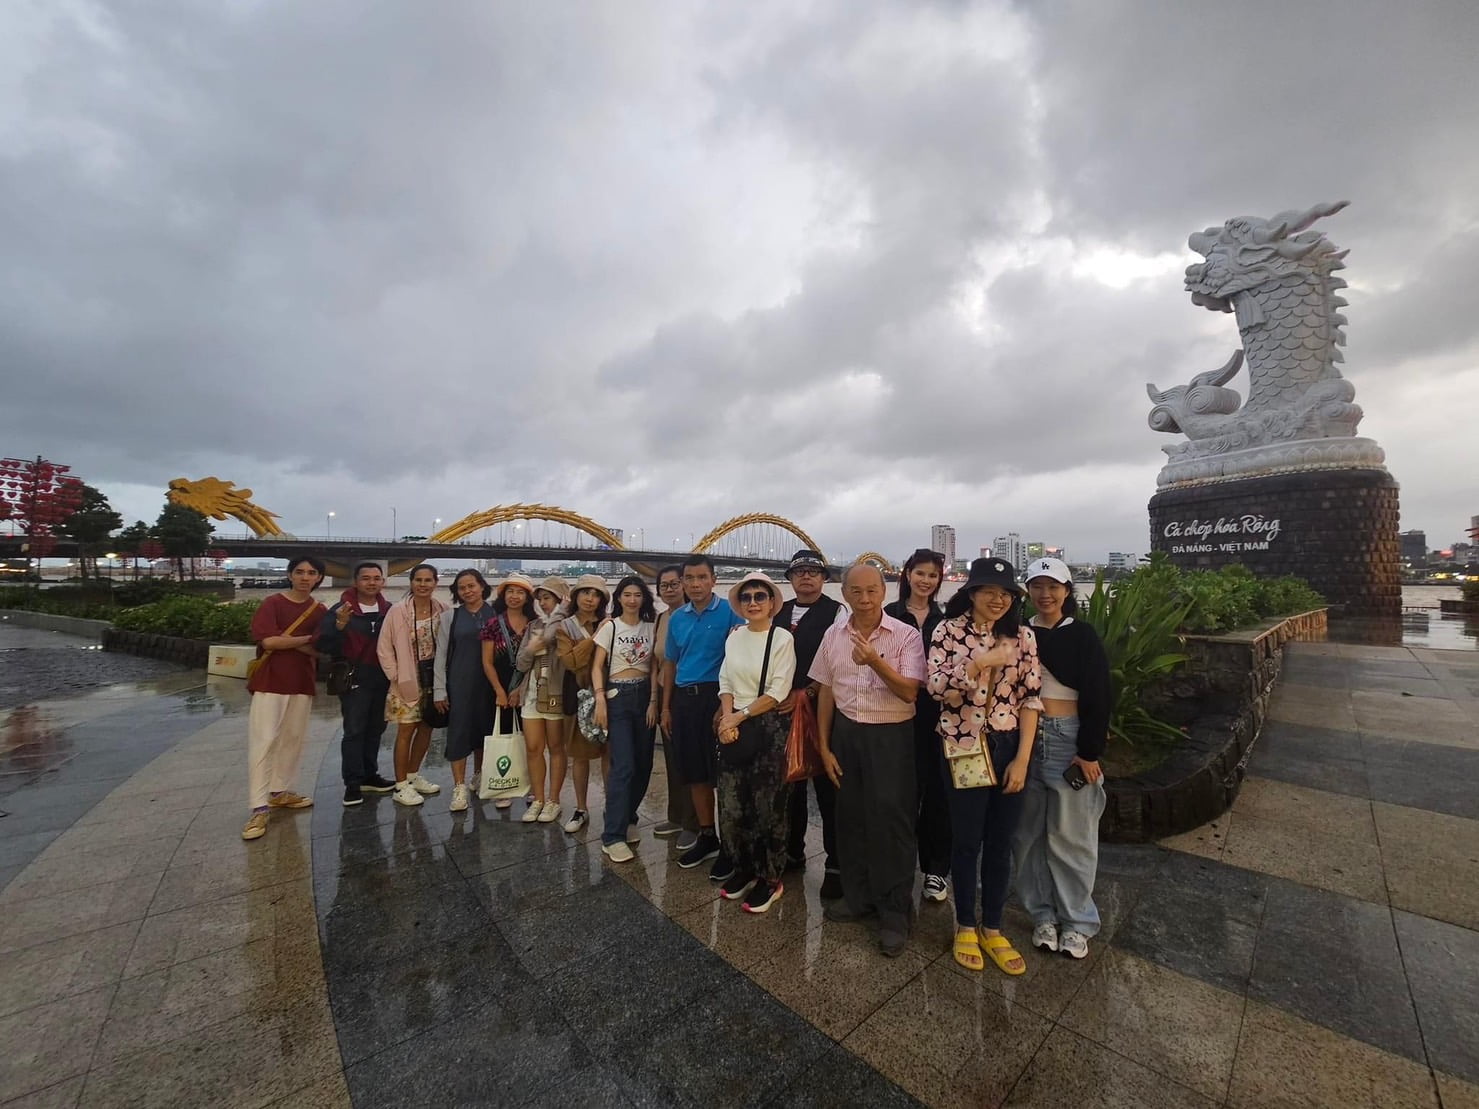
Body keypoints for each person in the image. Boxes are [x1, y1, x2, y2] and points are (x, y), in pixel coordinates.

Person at [927, 557, 1042, 977]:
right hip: (963, 745)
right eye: (989, 591)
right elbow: (935, 688)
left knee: (1000, 840)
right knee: (966, 840)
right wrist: (981, 662)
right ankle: (965, 924)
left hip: (1008, 743)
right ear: (972, 592)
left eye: (1006, 593)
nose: (998, 599)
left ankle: (992, 926)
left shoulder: (1023, 636)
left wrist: (1023, 760)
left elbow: (1031, 699)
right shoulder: (947, 631)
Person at [812, 563, 926, 956]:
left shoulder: (905, 635)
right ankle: (858, 896)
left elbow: (909, 692)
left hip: (890, 736)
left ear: (884, 591)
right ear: (844, 594)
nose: (864, 598)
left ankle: (894, 911)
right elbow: (826, 690)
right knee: (851, 817)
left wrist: (875, 660)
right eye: (856, 591)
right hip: (847, 734)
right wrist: (824, 746)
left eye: (872, 590)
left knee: (892, 822)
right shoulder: (833, 634)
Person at [1013, 557, 1111, 960]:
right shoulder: (1018, 632)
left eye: (1053, 586)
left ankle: (1077, 922)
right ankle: (1041, 915)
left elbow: (1099, 693)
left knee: (1072, 836)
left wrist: (1088, 751)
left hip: (1066, 739)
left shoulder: (1081, 635)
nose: (1045, 594)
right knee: (1027, 836)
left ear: (1067, 591)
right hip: (1024, 739)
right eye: (1037, 586)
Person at [715, 573, 797, 912]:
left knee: (768, 806)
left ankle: (771, 878)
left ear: (772, 602)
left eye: (760, 596)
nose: (753, 602)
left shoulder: (781, 638)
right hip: (734, 722)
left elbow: (778, 691)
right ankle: (743, 867)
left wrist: (738, 717)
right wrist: (726, 718)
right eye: (746, 597)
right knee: (733, 804)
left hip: (768, 726)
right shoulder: (735, 636)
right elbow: (725, 680)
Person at [659, 554, 744, 877]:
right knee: (695, 773)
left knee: (723, 773)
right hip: (685, 699)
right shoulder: (677, 619)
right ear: (683, 582)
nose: (695, 584)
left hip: (717, 697)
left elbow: (739, 659)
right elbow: (670, 663)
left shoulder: (730, 612)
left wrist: (727, 707)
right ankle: (707, 836)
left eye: (702, 577)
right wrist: (666, 707)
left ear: (713, 580)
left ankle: (732, 845)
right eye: (690, 578)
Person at [775, 548, 845, 899]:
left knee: (828, 785)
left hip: (822, 709)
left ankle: (836, 862)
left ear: (823, 579)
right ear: (790, 578)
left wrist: (809, 691)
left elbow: (839, 658)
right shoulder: (778, 610)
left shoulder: (837, 612)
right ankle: (793, 850)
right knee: (791, 785)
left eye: (813, 572)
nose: (806, 576)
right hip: (781, 710)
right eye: (799, 571)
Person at [242, 556, 327, 841]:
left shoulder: (319, 610)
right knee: (264, 741)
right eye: (299, 572)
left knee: (293, 739)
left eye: (311, 573)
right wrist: (305, 639)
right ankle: (258, 807)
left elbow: (321, 650)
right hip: (271, 681)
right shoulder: (273, 604)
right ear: (290, 575)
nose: (305, 577)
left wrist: (287, 641)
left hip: (301, 682)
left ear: (319, 578)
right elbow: (268, 641)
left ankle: (279, 791)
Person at [883, 548, 951, 905]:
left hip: (938, 715)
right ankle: (898, 866)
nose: (926, 580)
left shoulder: (946, 619)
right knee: (900, 793)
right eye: (920, 573)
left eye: (933, 575)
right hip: (896, 711)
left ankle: (936, 869)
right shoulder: (889, 615)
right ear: (907, 574)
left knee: (938, 792)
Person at [317, 561, 395, 807]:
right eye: (366, 578)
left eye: (376, 578)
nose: (371, 583)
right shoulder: (341, 609)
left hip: (381, 678)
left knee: (376, 728)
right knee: (354, 730)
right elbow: (324, 645)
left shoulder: (389, 610)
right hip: (354, 678)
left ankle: (369, 775)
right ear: (355, 582)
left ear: (383, 582)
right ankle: (352, 783)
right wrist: (339, 626)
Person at [592, 575, 658, 863]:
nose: (632, 600)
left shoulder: (651, 627)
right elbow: (597, 666)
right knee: (623, 766)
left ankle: (627, 816)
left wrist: (653, 701)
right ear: (618, 598)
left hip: (644, 696)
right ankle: (612, 836)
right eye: (627, 594)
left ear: (644, 599)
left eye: (637, 595)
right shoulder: (611, 626)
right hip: (617, 696)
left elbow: (654, 666)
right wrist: (600, 699)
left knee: (643, 764)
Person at [378, 564, 448, 808]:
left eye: (428, 580)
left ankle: (412, 776)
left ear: (435, 583)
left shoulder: (442, 609)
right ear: (411, 582)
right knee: (406, 730)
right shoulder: (398, 611)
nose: (423, 584)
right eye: (418, 580)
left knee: (427, 726)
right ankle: (400, 785)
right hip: (406, 679)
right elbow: (384, 647)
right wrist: (396, 676)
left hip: (433, 678)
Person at [433, 569, 497, 814]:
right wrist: (439, 690)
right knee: (458, 733)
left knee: (484, 731)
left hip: (489, 685)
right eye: (462, 587)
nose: (468, 591)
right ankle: (459, 786)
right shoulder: (450, 617)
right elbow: (441, 655)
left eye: (472, 585)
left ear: (482, 586)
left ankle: (479, 776)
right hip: (459, 683)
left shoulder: (495, 614)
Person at [556, 574, 611, 833]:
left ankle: (612, 805)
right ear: (575, 596)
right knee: (579, 756)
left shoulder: (611, 622)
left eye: (596, 594)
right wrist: (596, 637)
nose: (590, 598)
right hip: (578, 695)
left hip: (608, 694)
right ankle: (581, 808)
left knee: (609, 753)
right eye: (585, 592)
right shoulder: (565, 626)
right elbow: (571, 661)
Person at [514, 576, 571, 825]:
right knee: (533, 749)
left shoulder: (566, 625)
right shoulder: (534, 626)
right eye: (540, 599)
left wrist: (560, 614)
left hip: (555, 694)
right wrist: (530, 648)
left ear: (561, 600)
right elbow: (521, 662)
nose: (543, 603)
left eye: (548, 598)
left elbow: (551, 637)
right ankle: (538, 798)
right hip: (532, 694)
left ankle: (553, 799)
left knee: (557, 748)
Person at [652, 564, 700, 848]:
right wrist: (656, 702)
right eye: (664, 585)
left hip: (690, 691)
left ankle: (694, 823)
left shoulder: (694, 614)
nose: (669, 589)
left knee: (690, 758)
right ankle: (676, 816)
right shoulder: (661, 619)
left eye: (674, 583)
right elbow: (657, 663)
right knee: (671, 757)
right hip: (665, 691)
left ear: (684, 585)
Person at [480, 573, 536, 811]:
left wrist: (520, 689)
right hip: (500, 689)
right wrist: (500, 691)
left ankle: (534, 786)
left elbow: (537, 660)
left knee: (532, 740)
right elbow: (487, 662)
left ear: (527, 597)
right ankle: (504, 787)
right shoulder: (493, 624)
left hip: (529, 687)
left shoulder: (535, 623)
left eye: (520, 592)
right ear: (503, 595)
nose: (514, 596)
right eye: (510, 592)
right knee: (503, 736)